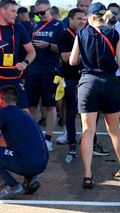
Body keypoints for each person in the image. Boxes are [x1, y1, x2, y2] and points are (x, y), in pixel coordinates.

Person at [69, 2, 120, 188]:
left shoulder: (81, 33)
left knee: (87, 130)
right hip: (109, 82)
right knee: (114, 129)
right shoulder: (114, 33)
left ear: (90, 16)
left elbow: (73, 61)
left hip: (88, 82)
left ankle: (87, 175)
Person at [0, 0, 36, 131]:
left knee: (25, 112)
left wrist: (25, 63)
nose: (16, 15)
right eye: (13, 11)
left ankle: (26, 145)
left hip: (13, 77)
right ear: (2, 10)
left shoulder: (19, 28)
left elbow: (31, 52)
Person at [24, 0, 64, 152]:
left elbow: (63, 48)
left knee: (49, 105)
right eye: (37, 13)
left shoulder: (58, 25)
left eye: (42, 12)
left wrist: (48, 46)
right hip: (33, 69)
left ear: (50, 10)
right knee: (31, 105)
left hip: (50, 69)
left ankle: (48, 139)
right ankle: (35, 137)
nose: (40, 16)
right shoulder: (33, 25)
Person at [57, 8, 86, 155]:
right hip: (71, 78)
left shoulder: (87, 32)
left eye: (84, 19)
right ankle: (72, 142)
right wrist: (81, 48)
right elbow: (65, 58)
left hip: (86, 78)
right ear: (70, 19)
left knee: (88, 112)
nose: (82, 21)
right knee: (71, 111)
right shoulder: (64, 35)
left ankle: (89, 141)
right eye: (79, 18)